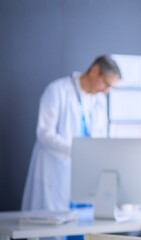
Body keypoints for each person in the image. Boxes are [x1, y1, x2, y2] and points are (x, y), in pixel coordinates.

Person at [22, 55, 121, 212]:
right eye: (106, 84)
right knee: (54, 226)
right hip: (56, 169)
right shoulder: (57, 90)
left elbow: (101, 135)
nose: (106, 91)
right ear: (94, 71)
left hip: (85, 173)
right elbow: (44, 132)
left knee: (84, 225)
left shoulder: (99, 100)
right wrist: (75, 151)